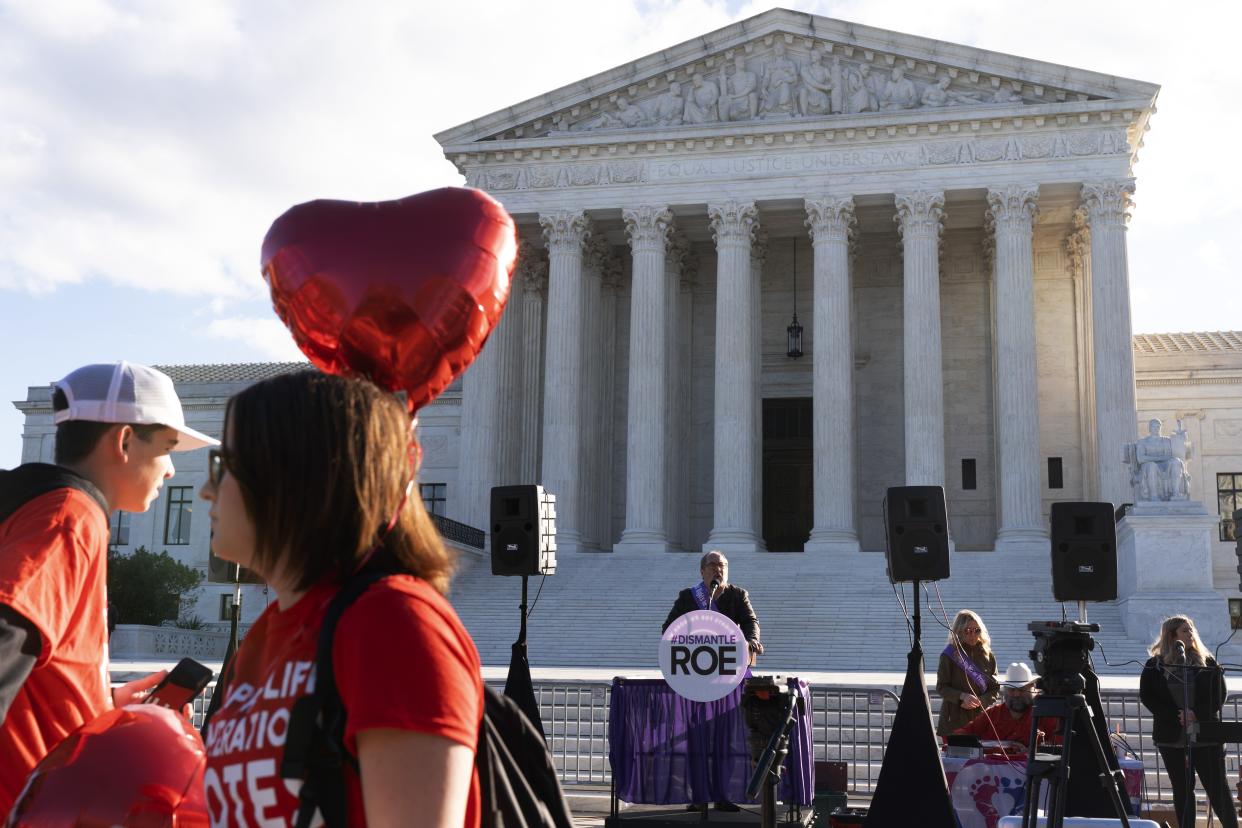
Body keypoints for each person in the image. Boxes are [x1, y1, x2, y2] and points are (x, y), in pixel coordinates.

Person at [198, 370, 483, 827]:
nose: (206, 490)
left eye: (224, 465)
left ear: (292, 476)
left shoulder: (393, 624)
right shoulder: (265, 636)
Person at [0, 361, 217, 814]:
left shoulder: (49, 510)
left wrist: (102, 701)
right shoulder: (68, 519)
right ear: (123, 441)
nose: (173, 470)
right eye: (168, 448)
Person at [662, 550, 763, 812]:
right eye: (713, 565)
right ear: (702, 571)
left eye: (723, 565)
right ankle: (698, 795)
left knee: (725, 739)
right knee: (697, 740)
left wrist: (751, 640)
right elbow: (668, 629)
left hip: (728, 679)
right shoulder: (689, 597)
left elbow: (751, 622)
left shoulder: (737, 595)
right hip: (696, 679)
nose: (719, 570)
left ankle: (721, 794)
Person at [1140, 616, 1237, 828]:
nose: (1191, 633)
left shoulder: (1208, 662)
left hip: (1206, 736)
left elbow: (1219, 694)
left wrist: (1196, 713)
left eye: (1192, 629)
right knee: (1182, 789)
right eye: (1185, 630)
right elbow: (1148, 696)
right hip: (1171, 736)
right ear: (1171, 636)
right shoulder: (1154, 665)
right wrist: (1176, 714)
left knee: (1217, 788)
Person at [954, 662, 1058, 748]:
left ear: (1032, 689)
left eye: (1021, 690)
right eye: (1012, 690)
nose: (1016, 694)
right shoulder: (992, 714)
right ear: (1005, 691)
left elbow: (1058, 745)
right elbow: (963, 734)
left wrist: (1035, 750)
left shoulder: (1045, 715)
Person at [936, 609, 999, 737]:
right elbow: (941, 687)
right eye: (968, 631)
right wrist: (962, 696)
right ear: (959, 631)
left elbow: (994, 689)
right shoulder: (949, 655)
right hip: (954, 719)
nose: (973, 635)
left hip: (980, 719)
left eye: (977, 630)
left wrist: (981, 701)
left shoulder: (988, 656)